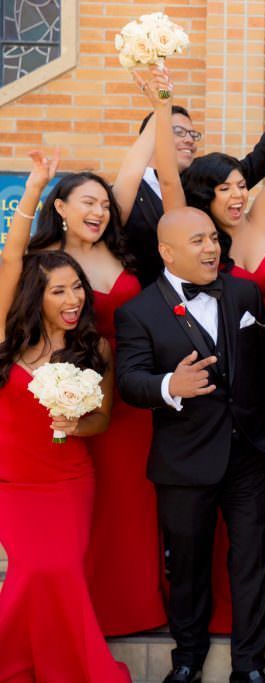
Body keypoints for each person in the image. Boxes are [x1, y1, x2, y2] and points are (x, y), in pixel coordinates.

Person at [153, 37, 265, 634]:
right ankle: (205, 627)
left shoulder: (259, 223)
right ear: (201, 197)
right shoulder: (185, 232)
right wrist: (160, 101)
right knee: (203, 525)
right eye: (225, 187)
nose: (237, 194)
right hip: (202, 402)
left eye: (239, 184)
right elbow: (165, 177)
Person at [116, 207, 265, 683]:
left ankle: (250, 667)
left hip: (252, 453)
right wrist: (171, 383)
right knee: (187, 567)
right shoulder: (139, 311)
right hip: (184, 461)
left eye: (213, 238)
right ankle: (187, 658)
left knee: (252, 562)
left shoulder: (244, 291)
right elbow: (129, 380)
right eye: (198, 241)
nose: (212, 248)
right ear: (167, 252)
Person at [22, 143, 166, 637]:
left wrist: (156, 97)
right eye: (88, 203)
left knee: (131, 501)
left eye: (105, 204)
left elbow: (131, 169)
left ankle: (134, 607)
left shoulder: (112, 243)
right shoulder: (42, 260)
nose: (100, 211)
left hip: (130, 394)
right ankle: (77, 614)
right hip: (70, 391)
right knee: (84, 508)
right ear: (60, 207)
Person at [0, 150, 130, 682]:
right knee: (32, 572)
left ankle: (68, 668)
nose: (75, 298)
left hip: (69, 480)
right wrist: (33, 190)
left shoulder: (95, 348)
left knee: (59, 571)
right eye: (61, 290)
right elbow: (11, 259)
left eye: (78, 287)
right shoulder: (7, 340)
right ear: (38, 295)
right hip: (14, 482)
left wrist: (76, 421)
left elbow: (103, 419)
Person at [115, 73, 265, 286]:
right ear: (151, 137)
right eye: (178, 132)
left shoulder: (202, 186)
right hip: (149, 302)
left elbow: (254, 163)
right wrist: (163, 101)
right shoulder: (125, 196)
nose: (189, 139)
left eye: (193, 135)